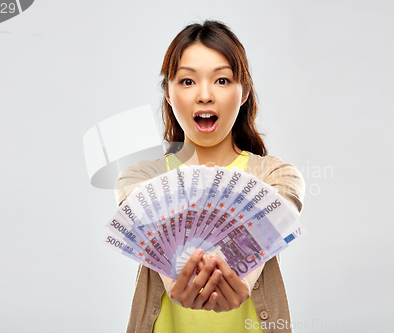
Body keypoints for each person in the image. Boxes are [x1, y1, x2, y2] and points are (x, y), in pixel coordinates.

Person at [115, 20, 305, 333]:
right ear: (168, 93)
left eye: (222, 80)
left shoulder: (276, 175)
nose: (204, 95)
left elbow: (273, 220)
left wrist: (241, 278)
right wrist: (178, 276)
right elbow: (154, 230)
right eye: (188, 81)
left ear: (243, 92)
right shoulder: (139, 177)